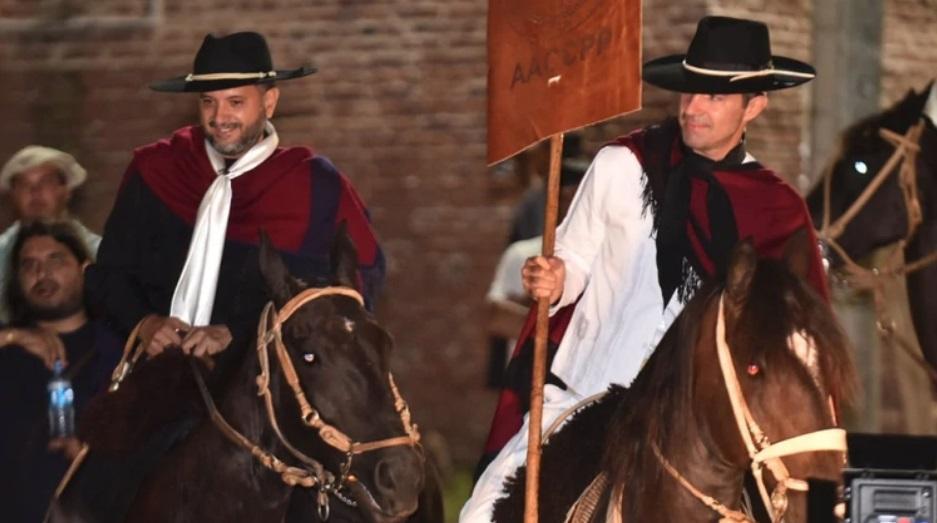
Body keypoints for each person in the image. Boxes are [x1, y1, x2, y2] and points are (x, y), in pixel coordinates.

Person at [461, 16, 829, 521]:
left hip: (699, 418)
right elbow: (575, 258)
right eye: (690, 92)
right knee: (481, 512)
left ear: (755, 106)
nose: (694, 108)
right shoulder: (621, 165)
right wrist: (556, 277)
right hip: (589, 395)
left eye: (715, 98)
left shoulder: (778, 207)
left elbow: (794, 334)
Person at [85, 31, 384, 379]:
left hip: (275, 381)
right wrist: (145, 323)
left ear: (269, 102)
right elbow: (108, 277)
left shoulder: (316, 186)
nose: (219, 117)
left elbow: (350, 287)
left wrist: (239, 333)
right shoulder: (157, 171)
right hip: (157, 380)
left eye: (235, 102)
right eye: (208, 102)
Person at [0, 222, 121, 523]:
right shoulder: (7, 345)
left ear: (84, 269)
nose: (42, 273)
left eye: (55, 259)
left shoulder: (118, 348)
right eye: (29, 265)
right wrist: (12, 337)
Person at [0, 145, 101, 324]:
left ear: (66, 190)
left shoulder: (100, 251)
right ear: (12, 195)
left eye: (46, 182)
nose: (35, 192)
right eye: (24, 185)